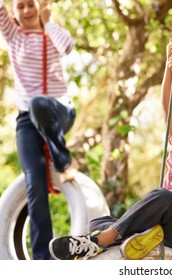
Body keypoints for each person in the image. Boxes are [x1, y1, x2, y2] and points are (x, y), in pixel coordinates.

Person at [48, 38, 172, 260]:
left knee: (162, 197)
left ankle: (102, 241)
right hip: (163, 229)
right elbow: (167, 104)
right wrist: (170, 66)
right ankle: (132, 240)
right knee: (99, 221)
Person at [0, 0, 77, 259]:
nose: (26, 10)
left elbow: (67, 47)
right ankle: (43, 258)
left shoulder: (53, 32)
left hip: (58, 112)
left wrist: (48, 20)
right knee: (34, 182)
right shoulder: (13, 35)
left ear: (40, 5)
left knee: (38, 103)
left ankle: (62, 159)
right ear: (13, 12)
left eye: (30, 4)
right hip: (27, 122)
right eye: (20, 6)